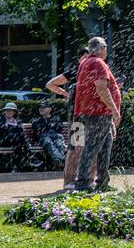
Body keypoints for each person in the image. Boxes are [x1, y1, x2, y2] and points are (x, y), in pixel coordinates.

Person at [72, 37, 121, 192]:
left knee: (105, 148)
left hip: (93, 112)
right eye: (106, 48)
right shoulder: (98, 63)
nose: (107, 51)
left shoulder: (85, 63)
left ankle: (102, 182)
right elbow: (101, 88)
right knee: (91, 147)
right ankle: (82, 183)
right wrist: (114, 110)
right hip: (98, 112)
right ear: (102, 49)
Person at [47, 49, 91, 188]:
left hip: (90, 115)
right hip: (77, 116)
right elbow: (50, 84)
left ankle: (86, 179)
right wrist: (65, 94)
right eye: (84, 57)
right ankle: (68, 181)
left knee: (87, 147)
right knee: (75, 148)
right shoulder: (75, 71)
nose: (87, 59)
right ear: (79, 59)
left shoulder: (93, 71)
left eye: (89, 57)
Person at [0, 102, 39, 171]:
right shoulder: (1, 120)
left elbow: (20, 129)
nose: (8, 112)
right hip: (4, 141)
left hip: (16, 141)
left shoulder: (17, 121)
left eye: (10, 110)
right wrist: (14, 129)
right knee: (19, 137)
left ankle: (15, 167)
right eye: (6, 110)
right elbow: (0, 130)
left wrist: (10, 128)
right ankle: (31, 157)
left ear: (14, 112)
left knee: (18, 144)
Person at [32, 101, 67, 169]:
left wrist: (48, 127)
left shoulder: (56, 119)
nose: (41, 109)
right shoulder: (36, 121)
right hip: (43, 138)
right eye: (40, 107)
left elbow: (58, 128)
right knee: (48, 142)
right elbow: (39, 131)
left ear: (50, 109)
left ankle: (58, 162)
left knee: (59, 144)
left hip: (56, 137)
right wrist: (50, 126)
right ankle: (61, 160)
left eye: (44, 107)